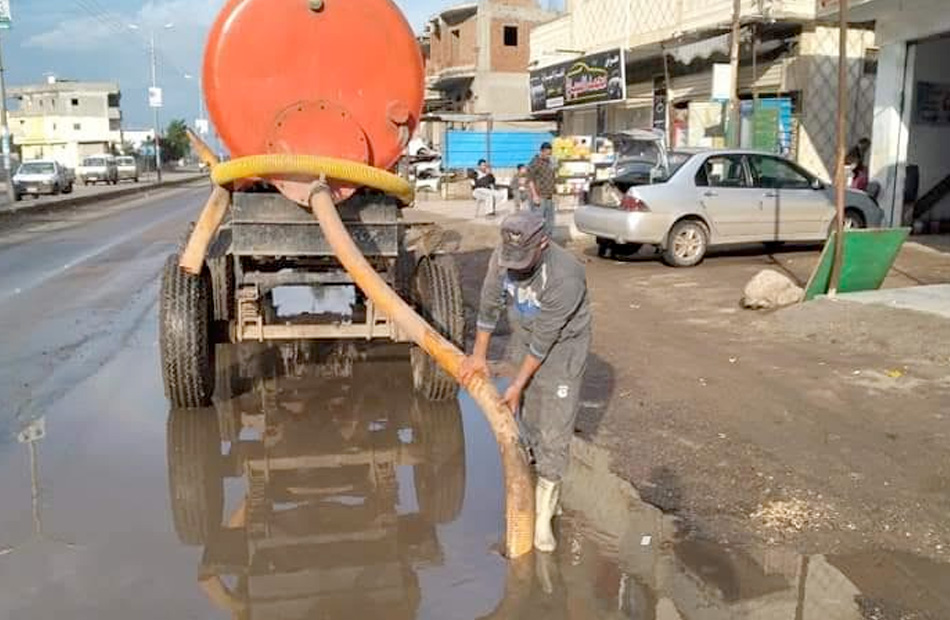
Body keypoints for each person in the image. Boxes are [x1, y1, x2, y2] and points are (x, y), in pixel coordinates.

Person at [460, 211, 592, 553]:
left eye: (524, 261)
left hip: (562, 348)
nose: (515, 267)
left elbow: (545, 339)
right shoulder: (503, 258)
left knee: (554, 428)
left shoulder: (566, 275)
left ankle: (544, 519)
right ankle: (540, 488)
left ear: (543, 243)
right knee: (529, 422)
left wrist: (516, 384)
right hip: (524, 337)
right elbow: (489, 305)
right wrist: (478, 356)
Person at [527, 143, 558, 237]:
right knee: (538, 221)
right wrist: (535, 195)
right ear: (542, 152)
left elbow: (552, 177)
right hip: (539, 196)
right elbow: (530, 180)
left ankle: (547, 242)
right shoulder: (534, 162)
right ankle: (536, 243)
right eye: (547, 154)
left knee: (550, 221)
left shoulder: (549, 162)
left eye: (550, 154)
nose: (549, 156)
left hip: (549, 196)